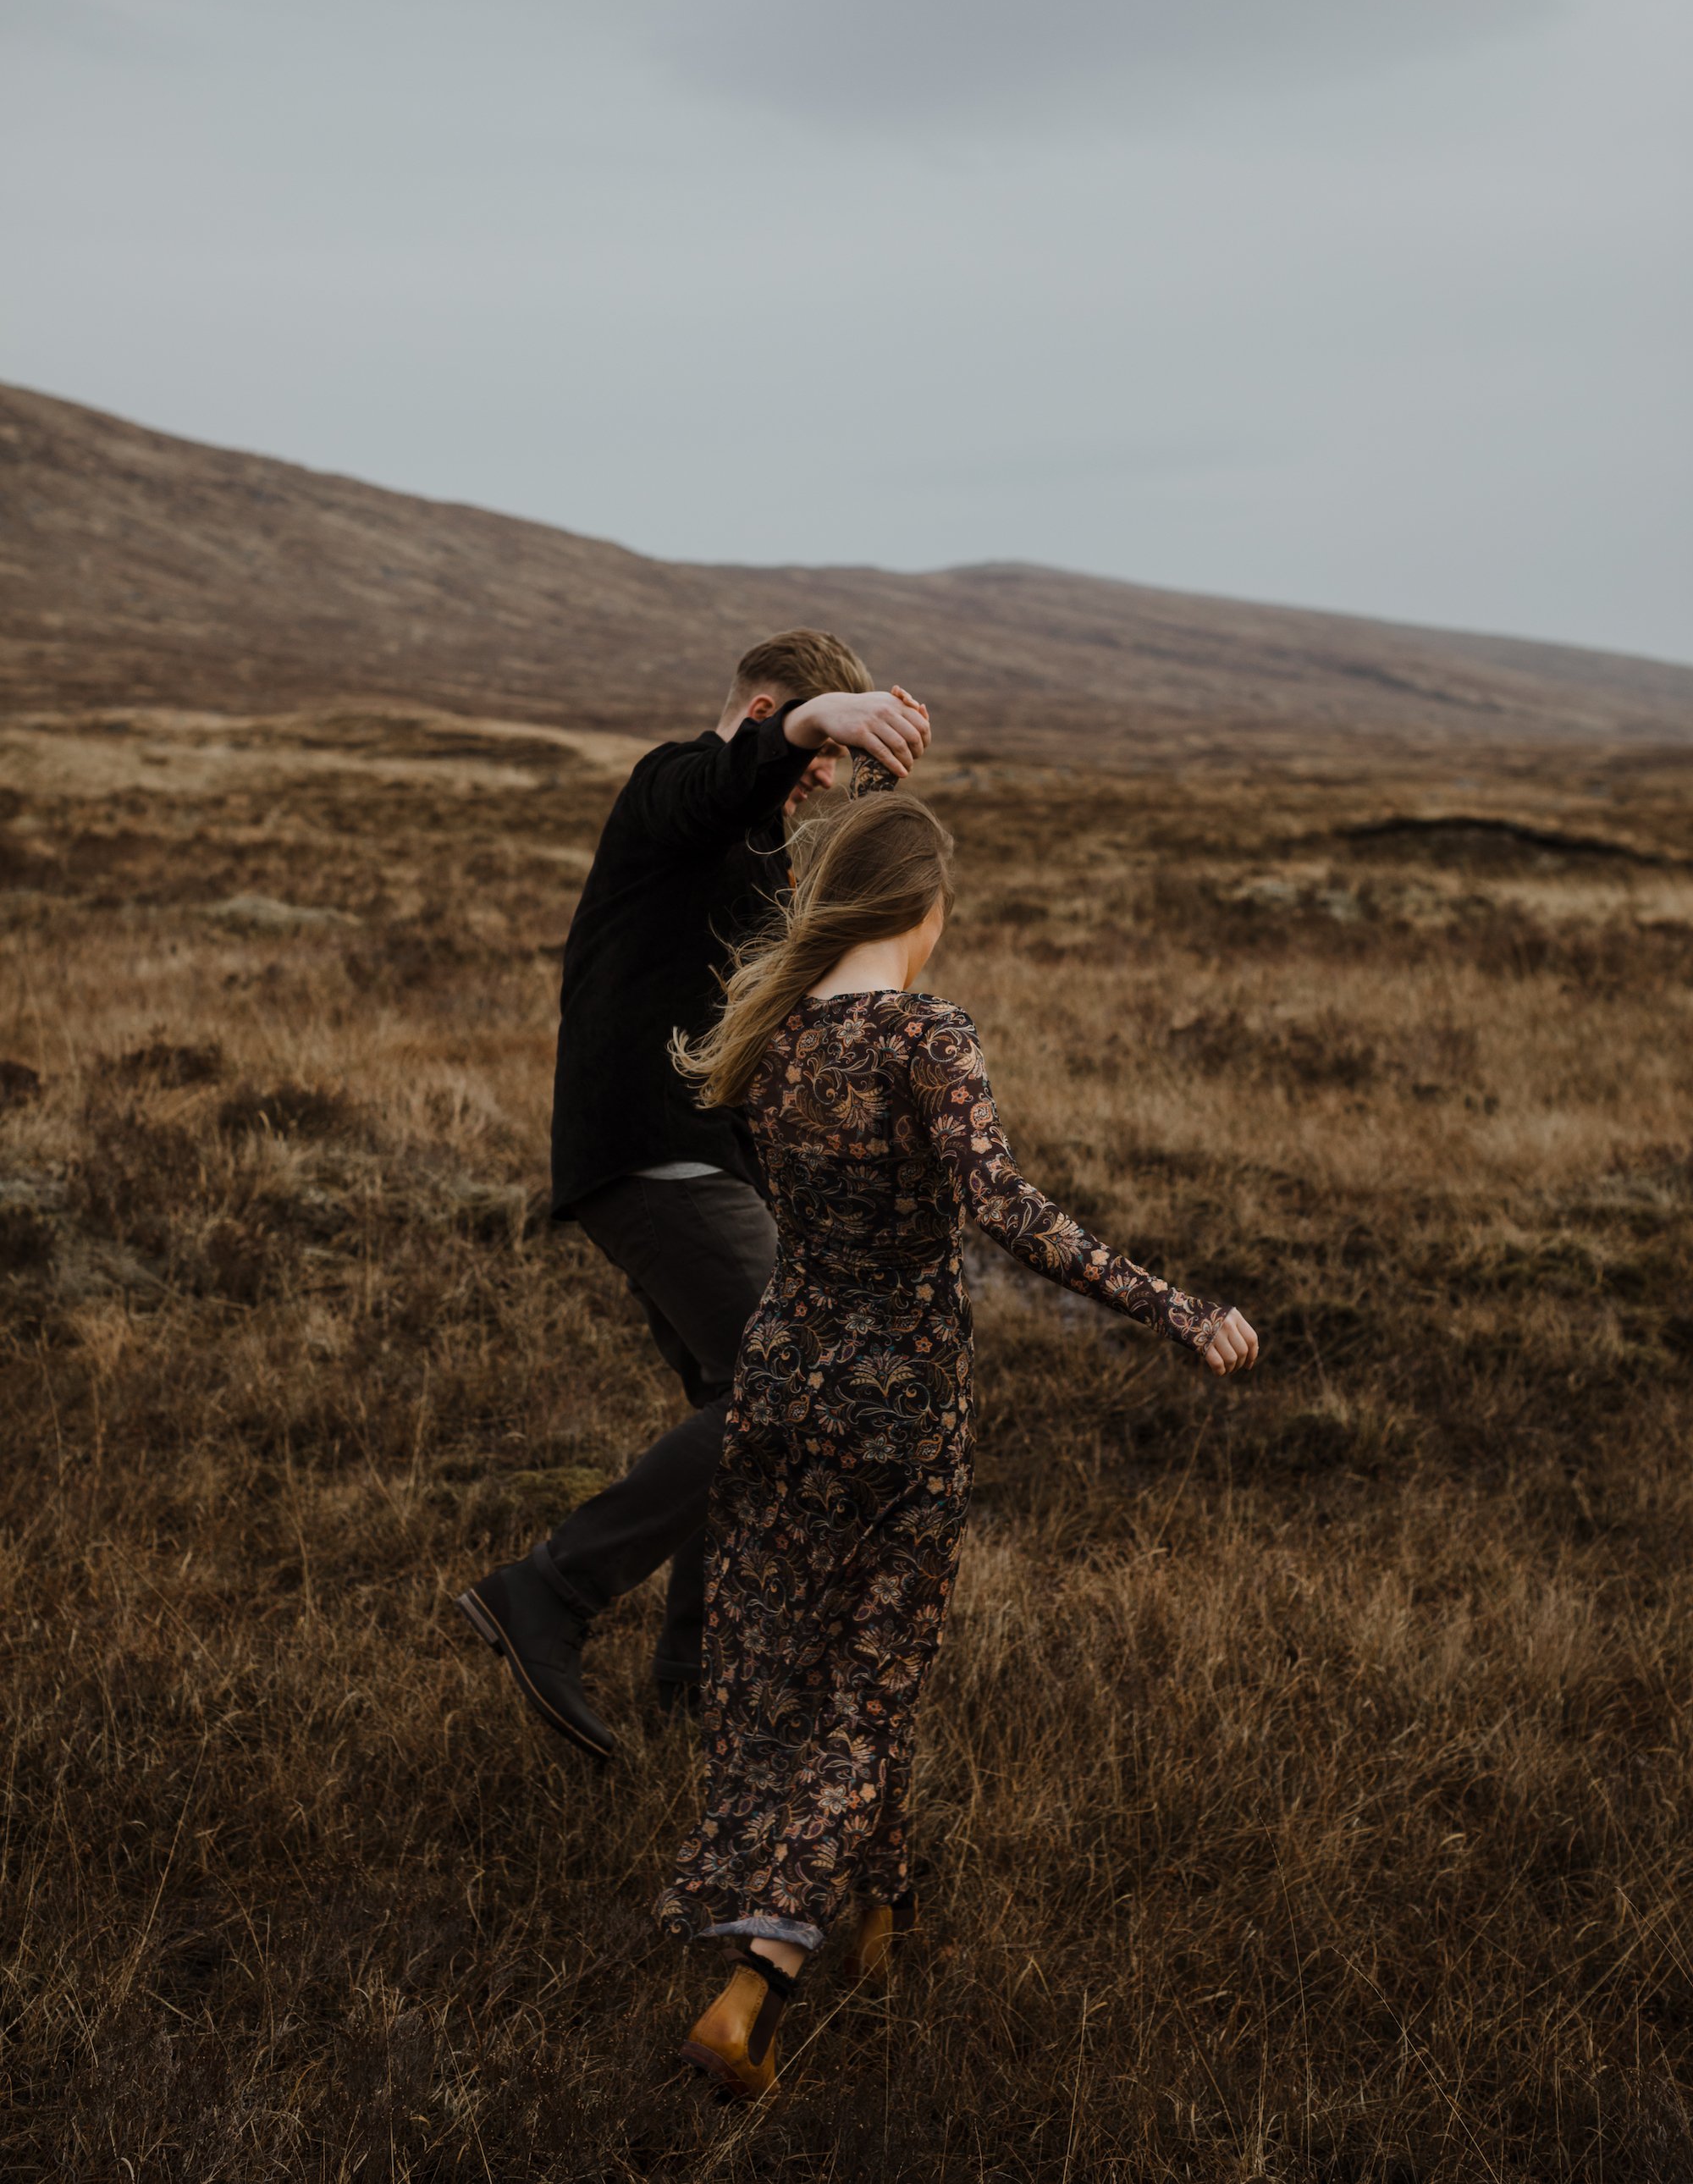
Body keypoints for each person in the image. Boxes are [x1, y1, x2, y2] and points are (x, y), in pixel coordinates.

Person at [658, 785, 1260, 2099]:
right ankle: (754, 1983)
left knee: (789, 1665)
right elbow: (999, 1203)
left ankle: (886, 1907)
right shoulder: (925, 1031)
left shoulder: (773, 1037)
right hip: (898, 1405)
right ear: (923, 908)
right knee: (870, 1683)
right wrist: (1178, 1307)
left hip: (780, 1377)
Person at [455, 631, 932, 1758]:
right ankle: (548, 1596)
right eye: (812, 744)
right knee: (805, 1385)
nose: (819, 773)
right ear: (768, 710)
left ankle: (691, 1676)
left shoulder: (755, 847)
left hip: (702, 1160)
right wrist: (817, 727)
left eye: (828, 755)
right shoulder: (672, 789)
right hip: (648, 1156)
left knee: (749, 1407)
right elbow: (732, 776)